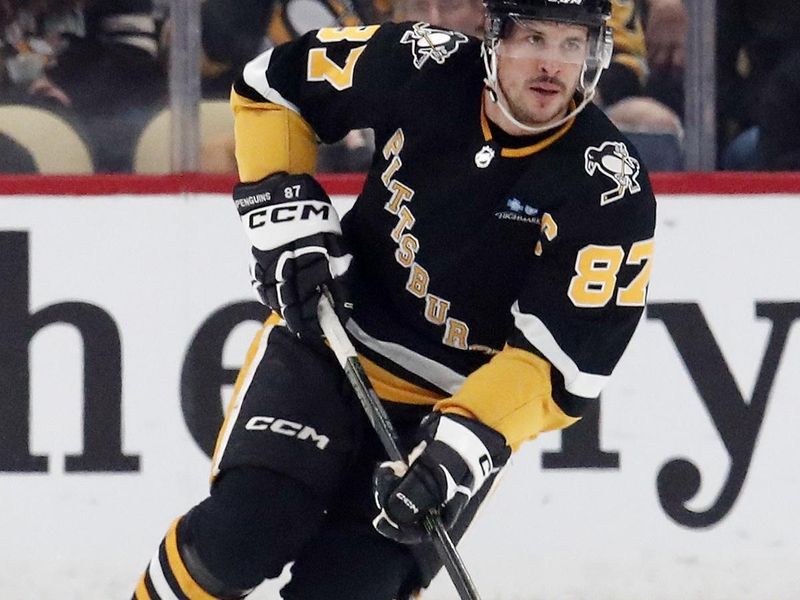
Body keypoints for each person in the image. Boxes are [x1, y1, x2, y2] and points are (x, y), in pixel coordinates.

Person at [132, 1, 656, 598]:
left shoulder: (609, 188)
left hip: (447, 409)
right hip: (330, 345)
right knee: (241, 536)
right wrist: (285, 215)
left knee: (351, 589)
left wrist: (459, 448)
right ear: (494, 36)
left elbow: (562, 367)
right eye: (533, 37)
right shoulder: (423, 62)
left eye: (572, 44)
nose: (552, 64)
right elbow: (271, 88)